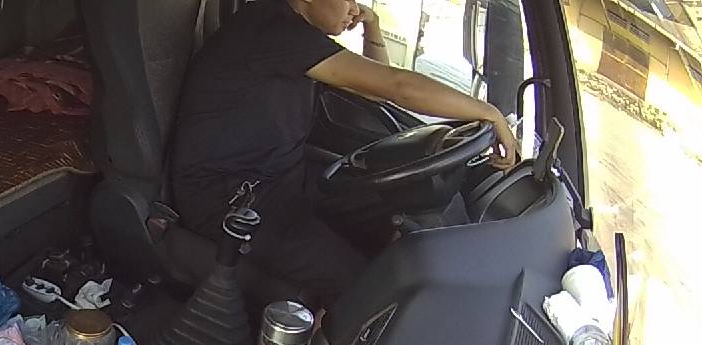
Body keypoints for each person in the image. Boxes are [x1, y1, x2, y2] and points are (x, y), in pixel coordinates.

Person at [171, 0, 520, 308]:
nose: (353, 8)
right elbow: (396, 86)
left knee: (398, 207)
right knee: (359, 287)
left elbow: (377, 91)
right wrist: (487, 112)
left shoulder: (295, 33)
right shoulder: (273, 30)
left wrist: (373, 26)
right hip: (227, 198)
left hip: (280, 178)